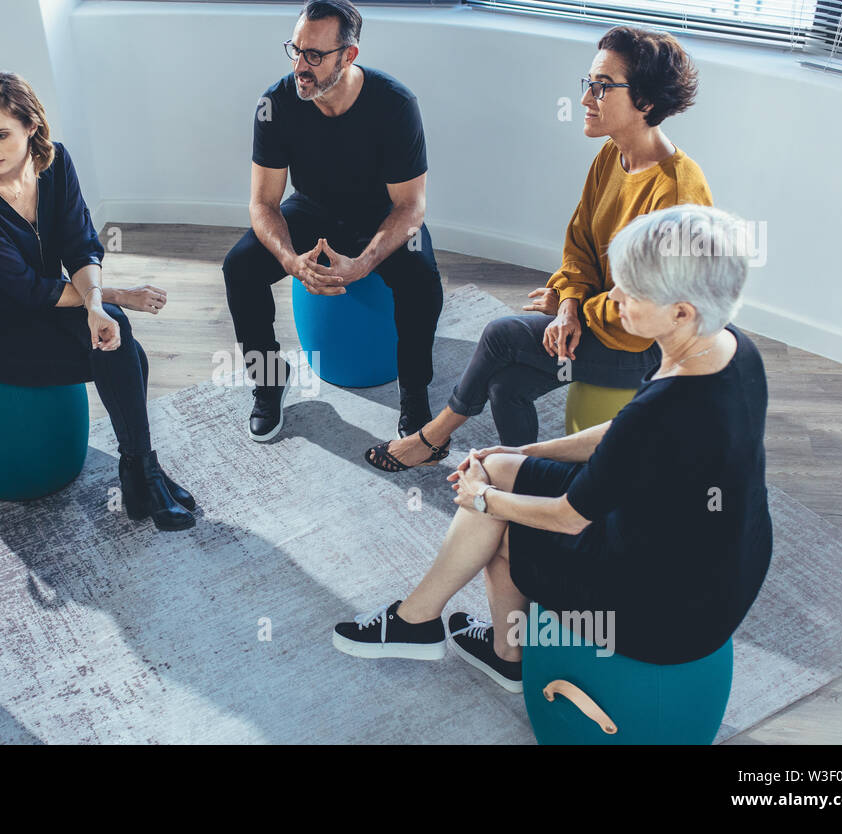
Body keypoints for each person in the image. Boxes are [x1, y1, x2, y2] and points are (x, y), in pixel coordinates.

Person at [334, 205, 773, 693]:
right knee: (503, 466)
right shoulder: (730, 347)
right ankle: (427, 625)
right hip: (723, 560)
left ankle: (477, 644)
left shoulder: (664, 413)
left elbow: (570, 516)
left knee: (501, 535)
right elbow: (621, 430)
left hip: (666, 611)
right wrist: (528, 451)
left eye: (632, 291)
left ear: (681, 311)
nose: (614, 298)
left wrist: (482, 498)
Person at [365, 26, 713, 471]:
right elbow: (580, 244)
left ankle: (431, 438)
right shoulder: (612, 156)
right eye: (588, 83)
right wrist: (568, 302)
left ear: (645, 101)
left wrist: (574, 310)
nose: (587, 98)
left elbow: (646, 311)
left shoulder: (678, 194)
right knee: (506, 385)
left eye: (602, 87)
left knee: (502, 334)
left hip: (647, 347)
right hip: (600, 319)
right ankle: (526, 477)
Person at [0, 70, 196, 531]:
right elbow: (23, 287)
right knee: (123, 351)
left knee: (116, 335)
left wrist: (98, 303)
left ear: (31, 127)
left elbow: (80, 245)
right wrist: (115, 296)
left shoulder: (55, 165)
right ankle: (143, 474)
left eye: (1, 134)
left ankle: (141, 471)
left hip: (46, 307)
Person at [223, 0, 443, 442]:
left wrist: (363, 263)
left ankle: (415, 392)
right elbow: (263, 202)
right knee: (239, 267)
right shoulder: (276, 103)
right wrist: (290, 260)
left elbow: (411, 207)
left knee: (421, 275)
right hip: (312, 210)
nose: (300, 66)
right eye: (296, 50)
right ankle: (268, 382)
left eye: (315, 55)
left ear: (349, 55)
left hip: (381, 215)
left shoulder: (396, 105)